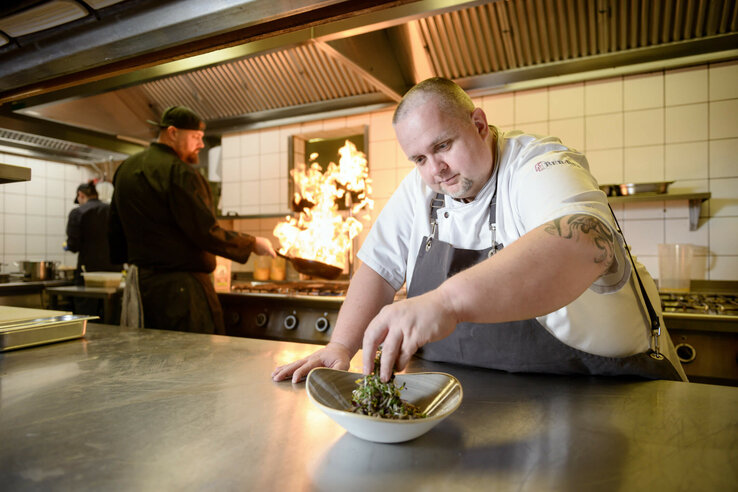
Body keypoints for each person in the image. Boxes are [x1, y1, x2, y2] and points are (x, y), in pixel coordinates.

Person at [272, 77, 686, 384]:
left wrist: (446, 302)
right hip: (485, 401)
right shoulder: (422, 187)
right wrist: (342, 347)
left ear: (480, 124)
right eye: (418, 158)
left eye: (442, 146)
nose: (435, 170)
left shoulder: (536, 163)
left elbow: (584, 242)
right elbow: (378, 267)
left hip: (612, 388)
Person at [108, 105, 276, 334]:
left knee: (149, 360)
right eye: (196, 137)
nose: (201, 144)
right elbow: (205, 231)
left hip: (143, 288)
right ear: (173, 132)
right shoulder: (180, 172)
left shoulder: (125, 168)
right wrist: (252, 243)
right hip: (182, 293)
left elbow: (114, 230)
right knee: (194, 363)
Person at [66, 180, 123, 317]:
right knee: (111, 315)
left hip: (89, 274)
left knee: (87, 316)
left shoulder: (78, 213)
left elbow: (73, 245)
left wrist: (68, 245)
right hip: (114, 274)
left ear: (80, 195)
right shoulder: (113, 211)